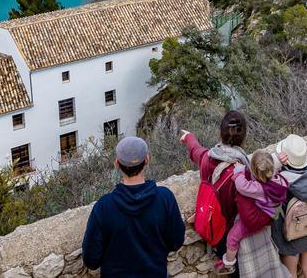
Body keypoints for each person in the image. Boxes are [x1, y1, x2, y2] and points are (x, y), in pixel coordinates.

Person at [82, 136, 186, 277]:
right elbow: (176, 242)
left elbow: (91, 260)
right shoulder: (165, 198)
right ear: (147, 160)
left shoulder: (103, 207)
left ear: (117, 164)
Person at [180, 110, 249, 255]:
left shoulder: (207, 158)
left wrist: (189, 137)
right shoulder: (242, 170)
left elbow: (195, 150)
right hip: (239, 235)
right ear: (243, 136)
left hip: (218, 233)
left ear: (221, 133)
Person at [217, 151, 289, 274]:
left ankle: (228, 263)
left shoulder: (259, 188)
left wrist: (239, 171)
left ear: (254, 172)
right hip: (271, 214)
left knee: (232, 237)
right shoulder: (279, 180)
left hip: (259, 219)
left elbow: (241, 186)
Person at [270, 134, 307, 278]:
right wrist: (303, 148)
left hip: (291, 235)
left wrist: (276, 160)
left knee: (291, 274)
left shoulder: (281, 179)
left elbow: (261, 176)